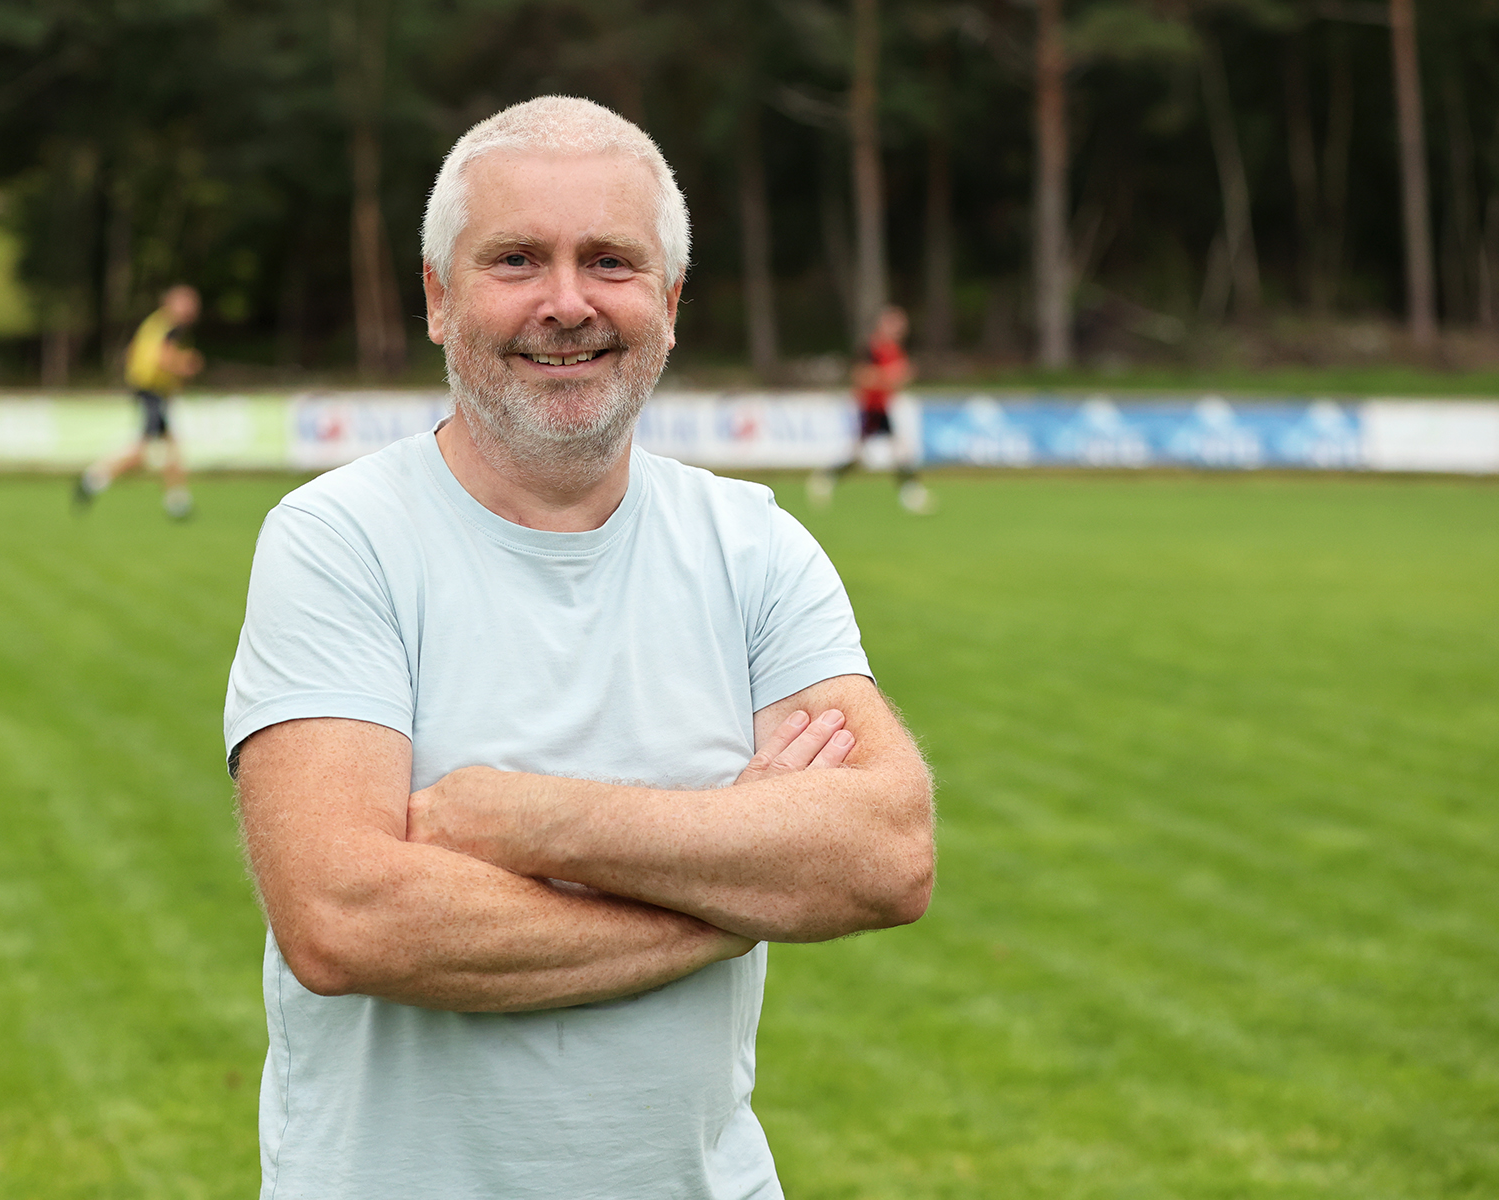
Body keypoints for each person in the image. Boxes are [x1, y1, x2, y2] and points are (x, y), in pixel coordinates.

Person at [224, 96, 936, 1200]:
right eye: (516, 259)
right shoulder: (340, 541)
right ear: (437, 296)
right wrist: (736, 882)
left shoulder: (754, 547)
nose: (567, 303)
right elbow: (345, 917)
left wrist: (523, 818)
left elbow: (886, 854)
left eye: (610, 260)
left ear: (670, 301)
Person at [74, 284, 203, 518]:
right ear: (172, 303)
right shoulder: (170, 327)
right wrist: (187, 364)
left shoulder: (156, 323)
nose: (193, 307)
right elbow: (164, 359)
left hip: (151, 390)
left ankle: (178, 501)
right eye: (188, 302)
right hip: (152, 391)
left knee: (171, 446)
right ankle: (93, 478)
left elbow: (132, 352)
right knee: (142, 451)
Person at [808, 304, 934, 513]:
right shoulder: (872, 348)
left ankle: (911, 494)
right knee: (868, 455)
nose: (900, 328)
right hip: (870, 407)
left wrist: (901, 377)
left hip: (884, 406)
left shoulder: (895, 349)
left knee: (897, 452)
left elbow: (897, 379)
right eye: (894, 322)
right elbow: (860, 376)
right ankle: (826, 478)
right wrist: (890, 376)